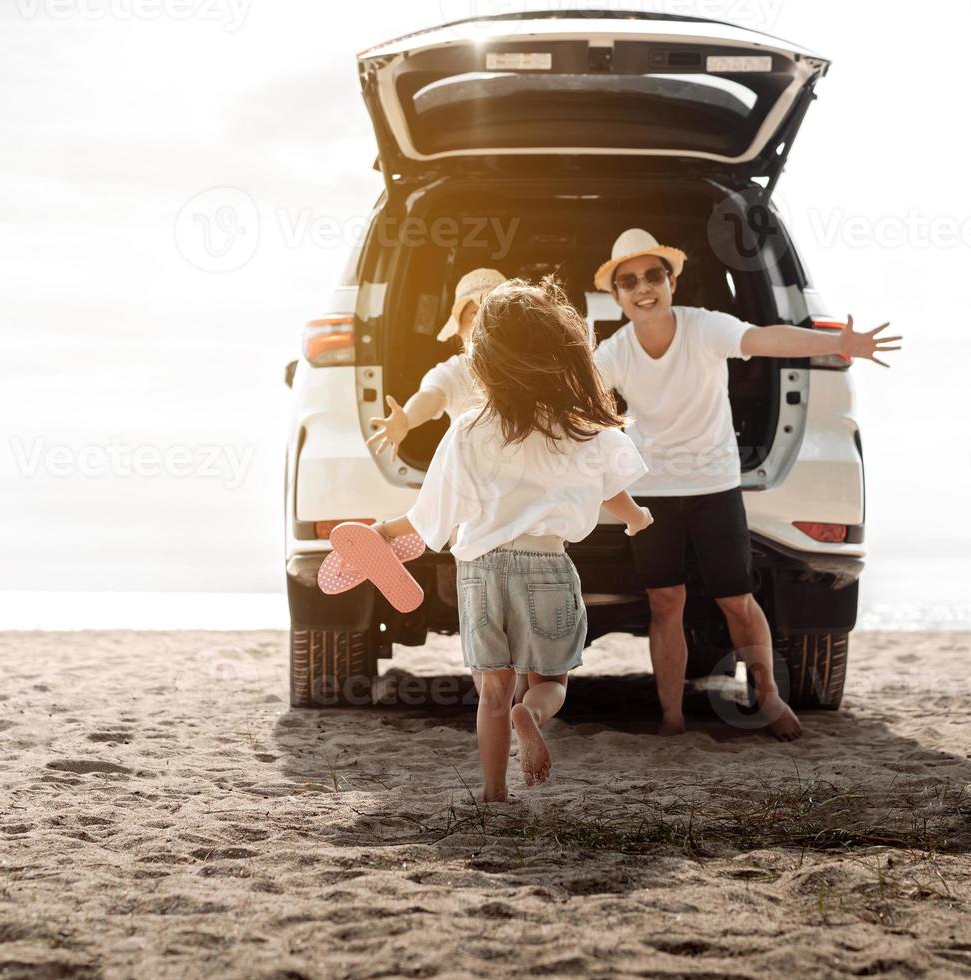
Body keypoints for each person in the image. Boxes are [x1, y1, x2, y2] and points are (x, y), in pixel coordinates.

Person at [591, 228, 901, 739]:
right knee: (665, 603)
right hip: (655, 494)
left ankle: (772, 700)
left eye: (652, 275)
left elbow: (766, 338)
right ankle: (671, 717)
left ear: (670, 281)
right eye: (629, 281)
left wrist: (838, 343)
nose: (642, 287)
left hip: (715, 487)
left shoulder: (703, 328)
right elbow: (574, 392)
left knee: (736, 600)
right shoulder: (615, 351)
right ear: (618, 294)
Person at [369, 277, 655, 802]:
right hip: (546, 566)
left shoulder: (470, 428)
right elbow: (612, 487)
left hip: (480, 571)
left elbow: (433, 510)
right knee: (551, 680)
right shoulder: (577, 424)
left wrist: (385, 532)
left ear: (483, 357)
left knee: (492, 691)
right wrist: (636, 518)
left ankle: (495, 790)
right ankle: (534, 713)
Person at [365, 267, 506, 462]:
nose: (485, 323)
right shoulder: (452, 373)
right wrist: (406, 419)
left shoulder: (534, 366)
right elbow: (430, 396)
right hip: (473, 477)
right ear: (459, 328)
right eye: (474, 314)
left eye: (494, 313)